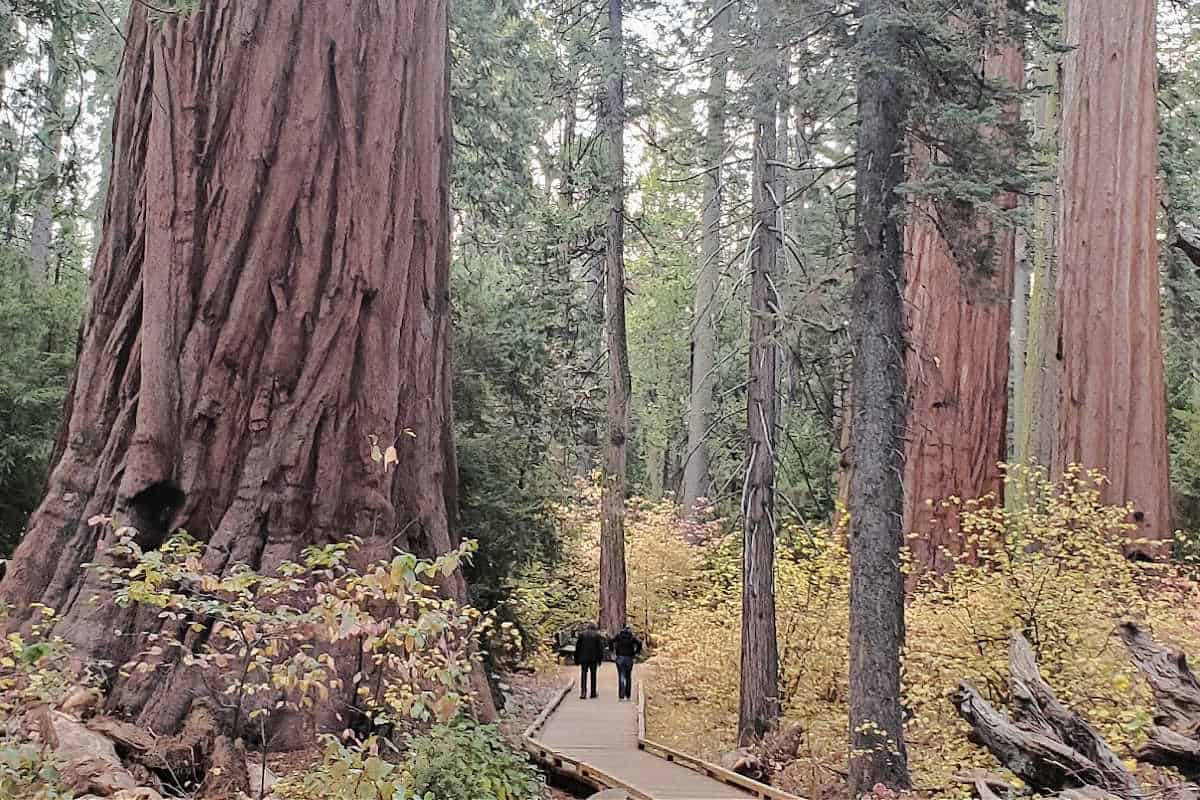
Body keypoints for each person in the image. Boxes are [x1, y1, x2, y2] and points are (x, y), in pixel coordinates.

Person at [574, 622, 606, 700]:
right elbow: (600, 648)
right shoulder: (597, 635)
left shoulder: (582, 635)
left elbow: (578, 647)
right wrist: (600, 659)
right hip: (593, 659)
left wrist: (576, 659)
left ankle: (583, 692)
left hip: (583, 658)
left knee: (584, 675)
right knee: (593, 676)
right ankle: (593, 692)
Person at [611, 626, 642, 701]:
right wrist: (636, 652)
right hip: (629, 658)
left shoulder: (618, 636)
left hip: (620, 658)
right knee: (628, 676)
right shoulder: (631, 637)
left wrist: (612, 650)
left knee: (621, 675)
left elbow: (610, 641)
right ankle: (628, 695)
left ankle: (621, 695)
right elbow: (639, 643)